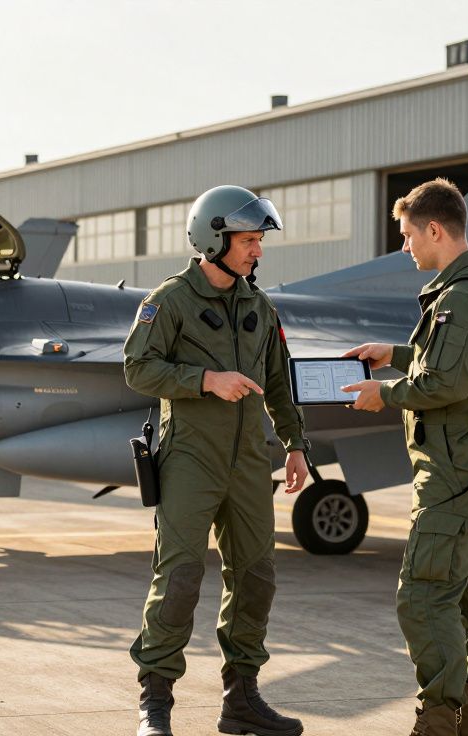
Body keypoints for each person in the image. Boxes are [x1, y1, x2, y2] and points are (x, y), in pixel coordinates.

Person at [124, 185, 309, 736]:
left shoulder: (259, 304)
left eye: (258, 241)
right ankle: (155, 704)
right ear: (214, 239)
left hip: (251, 463)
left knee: (256, 579)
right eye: (249, 240)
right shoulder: (170, 300)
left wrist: (297, 445)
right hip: (190, 460)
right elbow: (137, 367)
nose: (257, 251)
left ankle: (242, 700)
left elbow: (279, 380)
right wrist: (204, 380)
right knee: (179, 579)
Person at [341, 178, 468, 736]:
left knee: (422, 597)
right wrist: (394, 353)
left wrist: (384, 393)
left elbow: (445, 382)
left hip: (454, 469)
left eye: (408, 235)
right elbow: (458, 360)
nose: (405, 247)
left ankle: (439, 722)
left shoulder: (459, 298)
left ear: (434, 229)